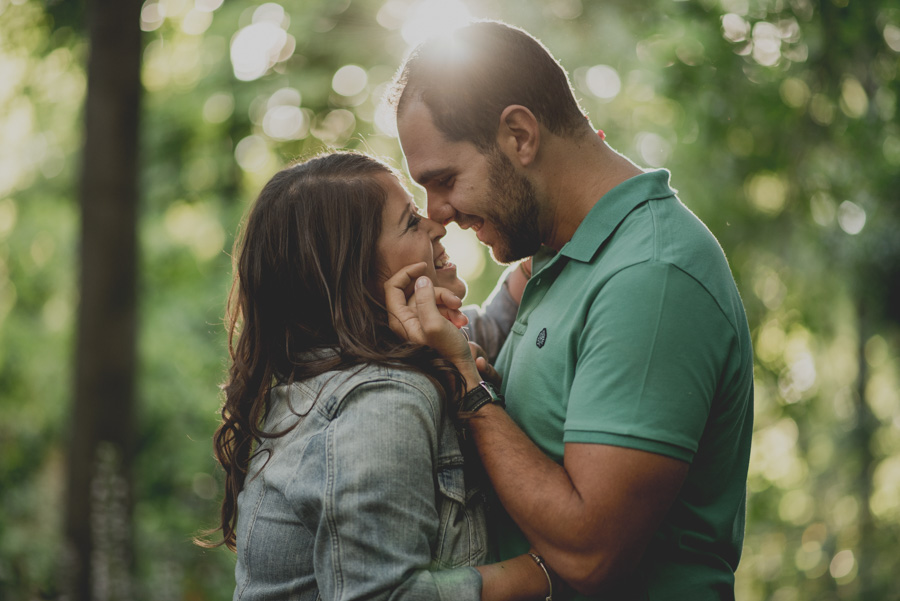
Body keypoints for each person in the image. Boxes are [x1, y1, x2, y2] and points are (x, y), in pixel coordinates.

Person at [385, 20, 755, 600]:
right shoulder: (558, 255)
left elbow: (590, 553)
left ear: (520, 135)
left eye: (445, 179)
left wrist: (467, 388)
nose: (438, 214)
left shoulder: (650, 277)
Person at [203, 151, 557, 600]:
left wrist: (557, 221)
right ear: (356, 277)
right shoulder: (383, 400)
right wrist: (550, 568)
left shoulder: (334, 370)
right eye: (411, 222)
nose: (436, 224)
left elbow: (488, 324)